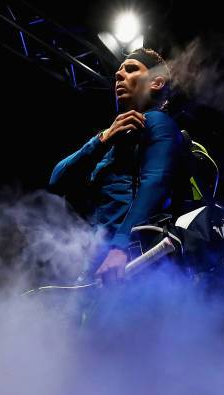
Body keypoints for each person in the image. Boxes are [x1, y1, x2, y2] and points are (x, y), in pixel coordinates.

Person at [49, 48, 184, 284]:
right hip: (101, 262)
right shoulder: (112, 140)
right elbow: (57, 180)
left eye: (131, 69)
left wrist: (120, 247)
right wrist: (102, 140)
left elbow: (155, 182)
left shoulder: (156, 121)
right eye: (118, 73)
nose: (119, 76)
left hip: (131, 261)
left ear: (156, 82)